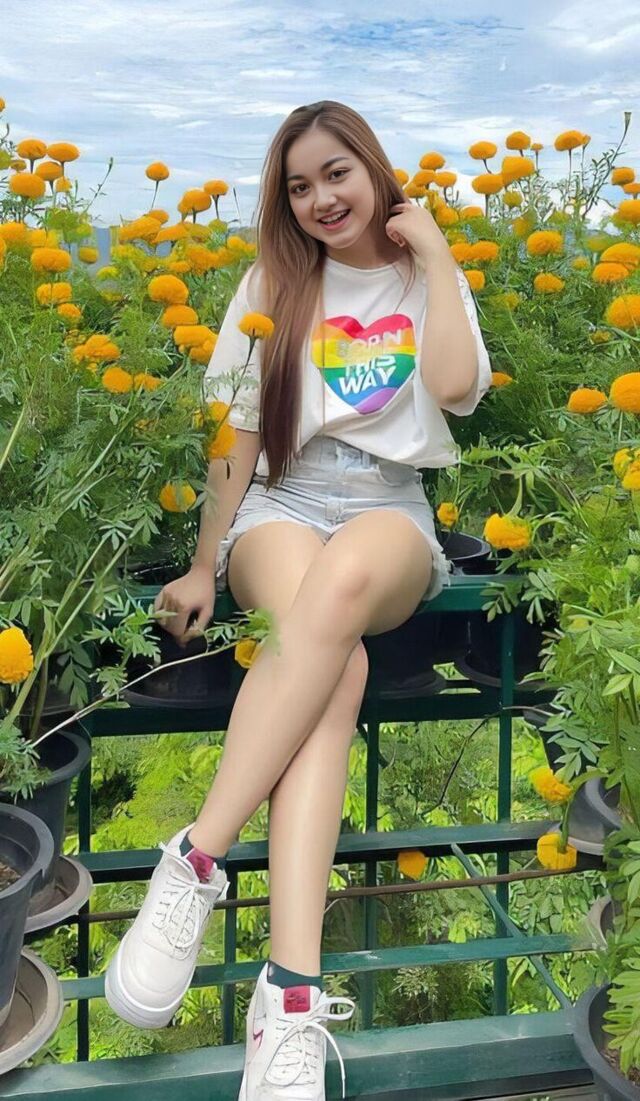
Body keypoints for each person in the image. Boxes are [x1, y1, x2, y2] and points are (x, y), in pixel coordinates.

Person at [105, 100, 492, 1099]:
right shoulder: (271, 283)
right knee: (334, 663)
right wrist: (204, 563)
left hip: (389, 508)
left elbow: (457, 388)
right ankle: (288, 999)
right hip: (280, 500)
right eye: (299, 185)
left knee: (347, 585)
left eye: (336, 173)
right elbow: (235, 437)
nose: (320, 198)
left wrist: (435, 254)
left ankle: (194, 857)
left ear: (372, 168)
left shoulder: (424, 274)